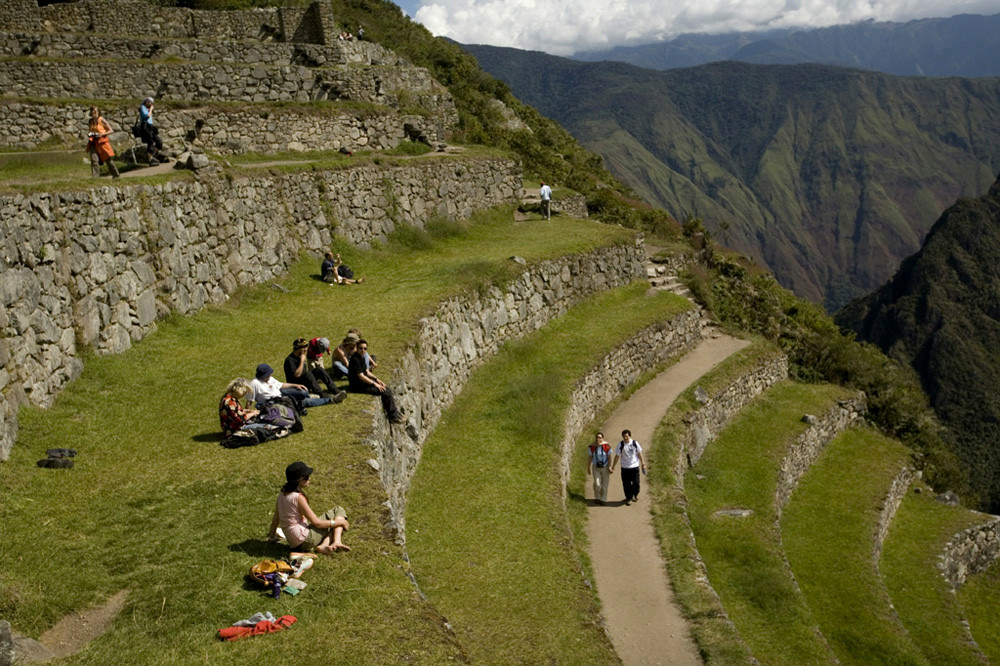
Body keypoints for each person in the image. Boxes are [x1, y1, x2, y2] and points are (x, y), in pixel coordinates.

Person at [267, 461, 350, 555]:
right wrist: (341, 522)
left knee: (332, 524)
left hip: (293, 543)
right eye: (306, 477)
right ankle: (337, 541)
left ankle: (324, 545)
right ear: (297, 480)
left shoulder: (282, 494)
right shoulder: (298, 498)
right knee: (338, 511)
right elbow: (317, 523)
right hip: (305, 540)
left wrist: (272, 537)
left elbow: (276, 518)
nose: (309, 479)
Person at [349, 338, 403, 422]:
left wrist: (377, 379)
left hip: (363, 383)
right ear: (356, 347)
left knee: (386, 389)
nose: (363, 350)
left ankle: (394, 412)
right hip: (357, 386)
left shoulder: (362, 357)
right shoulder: (355, 359)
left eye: (365, 348)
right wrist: (375, 384)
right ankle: (392, 416)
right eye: (361, 348)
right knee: (384, 392)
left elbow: (366, 371)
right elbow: (361, 376)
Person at [250, 363, 341, 411]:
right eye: (268, 374)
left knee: (302, 392)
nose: (270, 376)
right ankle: (331, 400)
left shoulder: (270, 379)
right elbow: (250, 401)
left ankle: (309, 396)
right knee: (304, 403)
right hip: (274, 403)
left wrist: (296, 385)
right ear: (262, 375)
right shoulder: (255, 383)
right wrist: (248, 412)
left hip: (282, 395)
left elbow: (281, 385)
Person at [610, 429, 646, 505]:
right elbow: (617, 456)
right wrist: (613, 466)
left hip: (634, 466)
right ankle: (629, 498)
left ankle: (635, 494)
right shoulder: (621, 444)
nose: (625, 438)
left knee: (636, 483)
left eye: (626, 436)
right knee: (626, 484)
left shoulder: (635, 443)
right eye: (623, 437)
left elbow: (639, 453)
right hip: (625, 467)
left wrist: (643, 463)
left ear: (629, 436)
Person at [86, 106, 119, 179]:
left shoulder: (102, 120)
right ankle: (95, 177)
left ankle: (115, 175)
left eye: (95, 111)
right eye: (92, 111)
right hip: (93, 142)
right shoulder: (90, 121)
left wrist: (102, 134)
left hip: (102, 142)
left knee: (107, 159)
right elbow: (91, 130)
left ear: (98, 112)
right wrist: (90, 134)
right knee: (94, 160)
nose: (94, 113)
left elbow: (111, 130)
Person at [136, 96, 165, 165]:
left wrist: (150, 109)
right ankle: (150, 159)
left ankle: (153, 156)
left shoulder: (148, 108)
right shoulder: (143, 107)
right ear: (145, 101)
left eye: (150, 102)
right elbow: (147, 116)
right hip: (145, 127)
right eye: (148, 101)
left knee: (159, 142)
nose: (149, 103)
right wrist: (151, 109)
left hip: (151, 126)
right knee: (150, 142)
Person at [587, 432, 612, 504]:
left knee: (605, 484)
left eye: (600, 437)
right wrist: (588, 467)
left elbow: (610, 458)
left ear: (602, 438)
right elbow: (590, 458)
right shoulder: (592, 447)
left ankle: (603, 499)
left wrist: (610, 467)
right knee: (597, 483)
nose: (598, 439)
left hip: (605, 467)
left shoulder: (607, 446)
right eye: (597, 437)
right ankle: (597, 497)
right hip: (596, 467)